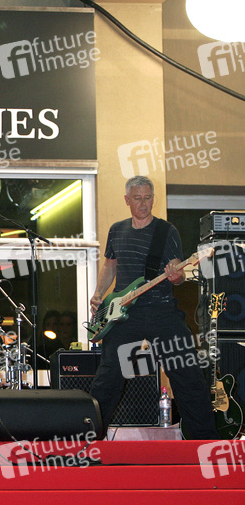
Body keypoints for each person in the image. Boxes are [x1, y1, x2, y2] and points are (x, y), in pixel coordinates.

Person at [88, 176, 218, 439]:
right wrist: (99, 293)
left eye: (148, 198)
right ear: (127, 200)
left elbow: (178, 273)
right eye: (138, 198)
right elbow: (110, 265)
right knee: (108, 377)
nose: (144, 203)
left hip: (162, 311)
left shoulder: (166, 231)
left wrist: (176, 276)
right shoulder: (117, 230)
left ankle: (204, 440)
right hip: (124, 314)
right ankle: (88, 439)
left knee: (186, 374)